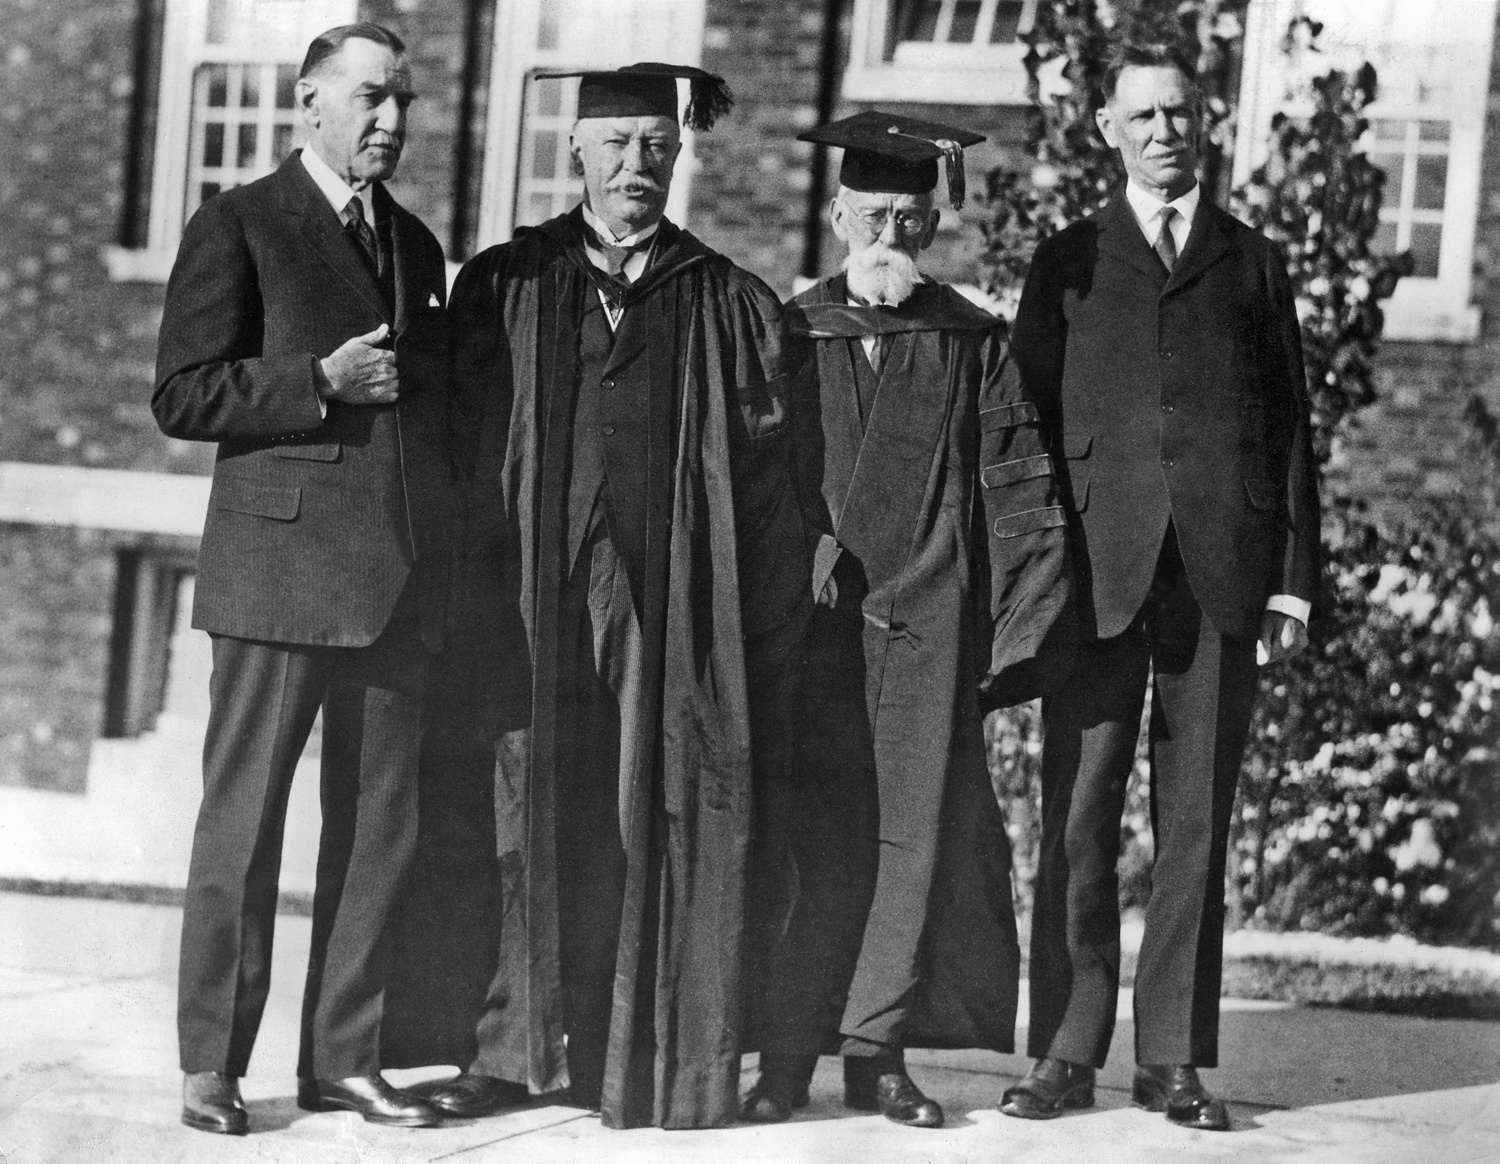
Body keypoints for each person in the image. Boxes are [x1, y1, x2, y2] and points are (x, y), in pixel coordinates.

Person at [411, 63, 807, 1131]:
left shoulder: (729, 301)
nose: (639, 165)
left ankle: (648, 1052)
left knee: (657, 802)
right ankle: (509, 1048)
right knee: (523, 799)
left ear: (680, 157)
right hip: (528, 589)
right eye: (618, 144)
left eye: (658, 147)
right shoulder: (507, 283)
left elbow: (779, 488)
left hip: (669, 607)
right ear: (576, 150)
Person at [999, 40, 1321, 1131]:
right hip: (1094, 580)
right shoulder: (1067, 260)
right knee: (1078, 816)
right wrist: (1032, 576)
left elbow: (1290, 431)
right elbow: (1024, 427)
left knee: (1196, 826)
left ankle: (1173, 1055)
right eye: (1142, 117)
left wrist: (1291, 583)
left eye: (1180, 113)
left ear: (1207, 120)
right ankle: (1064, 1048)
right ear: (1109, 131)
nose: (1163, 132)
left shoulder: (1252, 261)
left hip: (1220, 579)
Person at [742, 111, 1076, 1130]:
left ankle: (876, 1057)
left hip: (929, 625)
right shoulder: (787, 333)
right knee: (804, 837)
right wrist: (795, 568)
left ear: (933, 224)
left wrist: (1018, 630)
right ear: (838, 213)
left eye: (910, 215)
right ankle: (786, 1053)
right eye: (873, 211)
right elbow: (748, 481)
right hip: (811, 624)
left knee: (907, 842)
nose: (891, 231)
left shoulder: (973, 340)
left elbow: (1022, 485)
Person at [153, 23, 457, 1135]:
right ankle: (211, 1066)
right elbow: (182, 393)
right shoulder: (240, 221)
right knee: (244, 825)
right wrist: (315, 382)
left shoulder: (416, 244)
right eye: (372, 98)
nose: (393, 121)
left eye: (405, 102)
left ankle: (344, 1060)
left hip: (397, 579)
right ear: (311, 103)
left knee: (380, 829)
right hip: (279, 571)